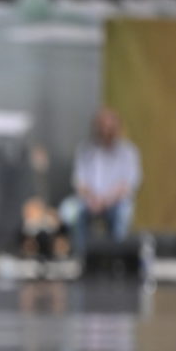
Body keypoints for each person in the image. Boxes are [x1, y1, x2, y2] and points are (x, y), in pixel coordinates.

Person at [71, 107, 142, 257]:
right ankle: (81, 255)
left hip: (115, 201)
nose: (106, 132)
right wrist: (93, 199)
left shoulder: (128, 152)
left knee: (123, 213)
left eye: (110, 128)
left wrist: (105, 201)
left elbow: (128, 185)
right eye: (102, 128)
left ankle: (116, 256)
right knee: (70, 212)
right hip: (90, 201)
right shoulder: (85, 150)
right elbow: (79, 181)